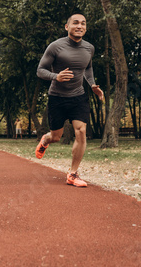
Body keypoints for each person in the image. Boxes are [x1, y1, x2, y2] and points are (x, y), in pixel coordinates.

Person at [35, 13, 104, 187]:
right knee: (56, 136)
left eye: (83, 23)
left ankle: (73, 174)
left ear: (85, 28)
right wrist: (55, 76)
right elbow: (40, 70)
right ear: (67, 27)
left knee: (80, 131)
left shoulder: (89, 48)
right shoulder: (55, 47)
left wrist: (93, 85)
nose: (79, 26)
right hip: (57, 98)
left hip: (78, 96)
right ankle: (46, 140)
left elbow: (88, 68)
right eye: (75, 23)